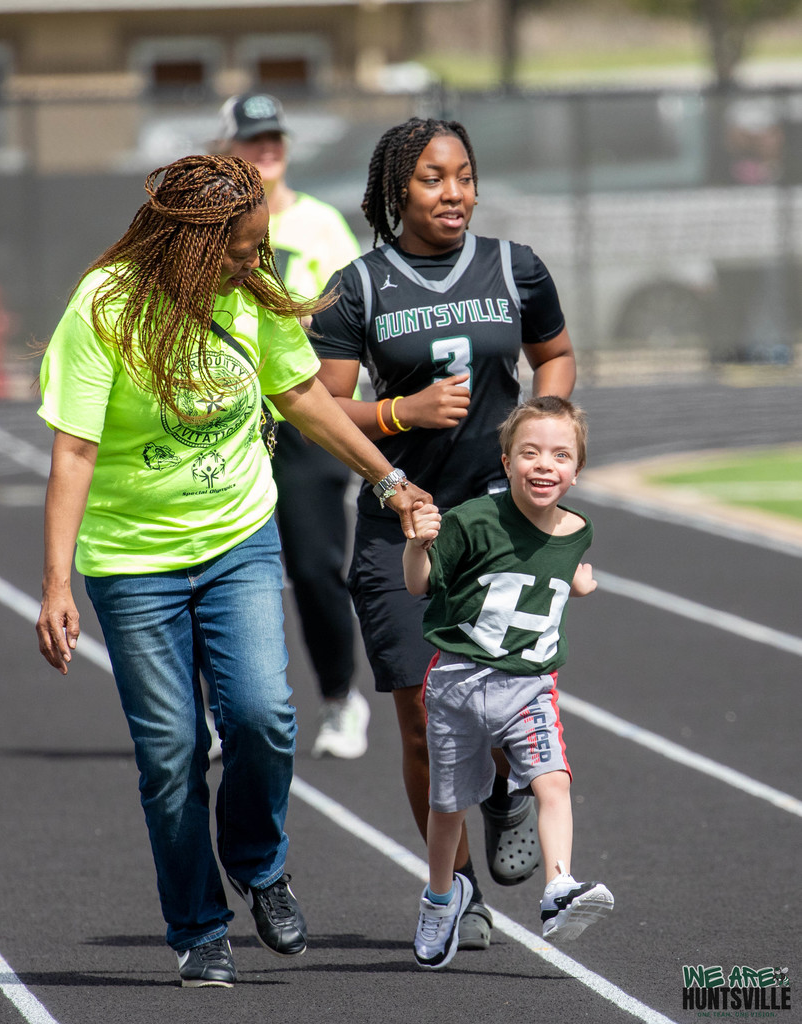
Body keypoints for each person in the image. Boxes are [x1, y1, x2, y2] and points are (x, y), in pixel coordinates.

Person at [34, 154, 429, 989]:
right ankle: (198, 928)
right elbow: (73, 448)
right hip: (131, 558)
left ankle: (259, 863)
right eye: (244, 249)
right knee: (172, 751)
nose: (258, 261)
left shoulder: (252, 290)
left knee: (262, 716)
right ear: (194, 244)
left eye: (263, 246)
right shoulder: (104, 308)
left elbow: (303, 397)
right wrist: (57, 584)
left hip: (236, 539)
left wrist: (385, 479)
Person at [310, 117, 577, 950]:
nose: (453, 192)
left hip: (498, 527)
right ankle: (455, 885)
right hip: (404, 518)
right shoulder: (356, 286)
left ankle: (501, 797)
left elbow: (555, 355)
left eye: (463, 175)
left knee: (494, 704)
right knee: (424, 716)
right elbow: (318, 405)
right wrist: (403, 411)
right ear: (397, 193)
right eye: (432, 178)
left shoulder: (515, 266)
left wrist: (549, 431)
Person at [403, 397, 614, 970]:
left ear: (576, 470)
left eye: (560, 454)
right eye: (531, 452)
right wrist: (417, 543)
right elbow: (421, 585)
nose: (545, 464)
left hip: (529, 687)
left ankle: (558, 888)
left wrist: (577, 582)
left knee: (553, 783)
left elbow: (546, 565)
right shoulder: (473, 520)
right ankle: (442, 898)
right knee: (447, 808)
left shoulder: (577, 530)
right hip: (459, 682)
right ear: (505, 461)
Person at [216, 93, 369, 759]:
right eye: (252, 139)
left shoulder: (322, 224)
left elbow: (345, 318)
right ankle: (226, 712)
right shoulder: (207, 231)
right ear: (227, 148)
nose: (266, 149)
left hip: (305, 422)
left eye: (274, 138)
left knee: (313, 568)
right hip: (224, 425)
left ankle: (339, 701)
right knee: (216, 569)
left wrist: (291, 323)